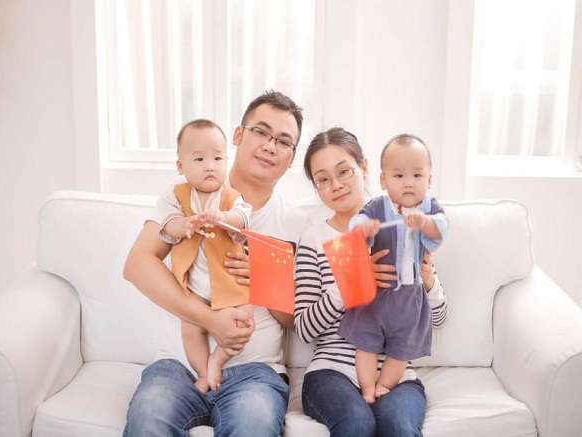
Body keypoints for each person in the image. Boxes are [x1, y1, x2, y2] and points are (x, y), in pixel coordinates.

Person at [123, 90, 310, 436]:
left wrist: (263, 277)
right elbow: (136, 266)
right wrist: (209, 320)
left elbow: (295, 320)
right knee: (148, 420)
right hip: (178, 366)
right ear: (238, 135)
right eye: (261, 132)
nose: (270, 146)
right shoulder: (184, 193)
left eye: (283, 141)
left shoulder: (296, 223)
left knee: (253, 427)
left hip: (255, 373)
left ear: (291, 157)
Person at [294, 127, 449, 436]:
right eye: (323, 179)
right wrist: (352, 281)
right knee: (357, 423)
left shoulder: (406, 220)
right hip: (332, 371)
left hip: (397, 373)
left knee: (400, 427)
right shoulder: (314, 240)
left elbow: (439, 318)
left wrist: (429, 280)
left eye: (344, 171)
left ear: (364, 168)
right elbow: (304, 329)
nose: (336, 185)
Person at [337, 133, 449, 403]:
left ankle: (384, 385)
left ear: (429, 179)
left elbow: (442, 228)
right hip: (377, 295)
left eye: (417, 175)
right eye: (398, 176)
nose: (408, 183)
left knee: (402, 349)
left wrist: (425, 223)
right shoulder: (377, 206)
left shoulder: (430, 208)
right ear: (383, 180)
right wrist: (363, 229)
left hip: (410, 296)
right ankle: (367, 386)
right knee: (365, 343)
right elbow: (355, 226)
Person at [158, 119, 253, 393]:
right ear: (181, 166)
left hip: (229, 284)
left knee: (244, 321)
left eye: (217, 158)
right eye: (199, 159)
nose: (210, 166)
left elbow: (242, 219)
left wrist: (223, 217)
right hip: (195, 289)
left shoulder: (232, 197)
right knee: (190, 329)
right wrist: (185, 225)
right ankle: (202, 372)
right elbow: (168, 223)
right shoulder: (177, 195)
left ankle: (217, 360)